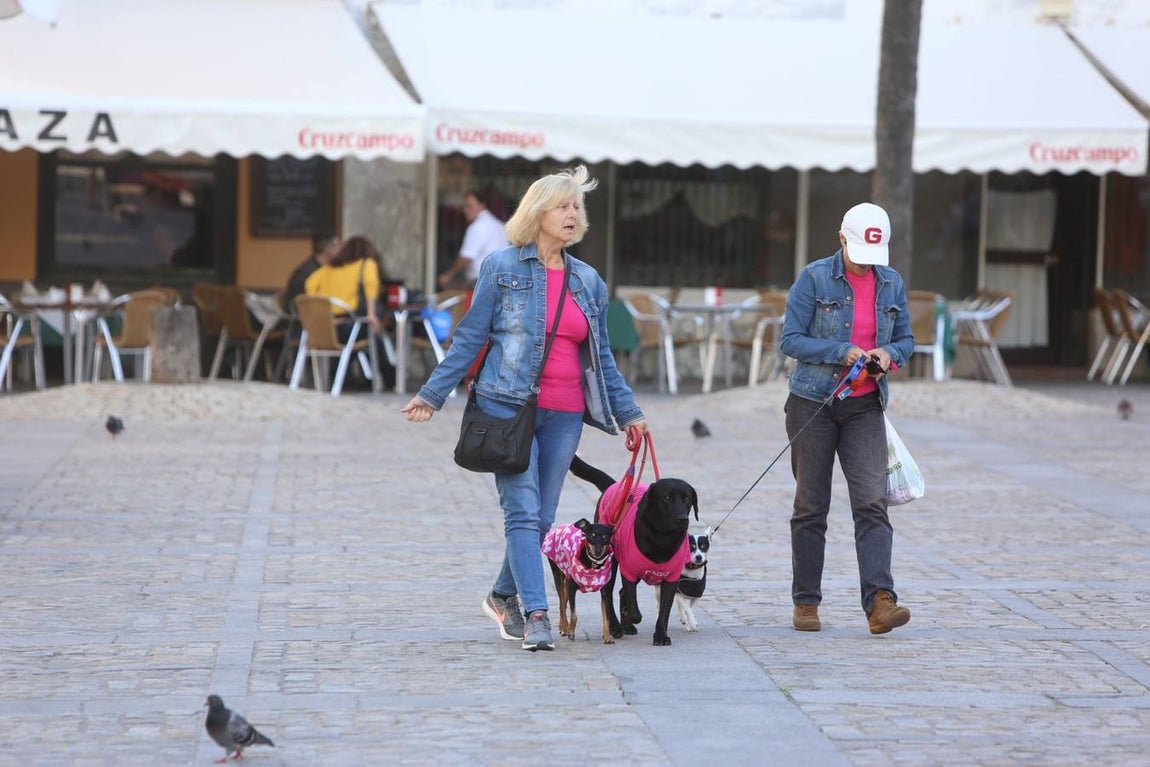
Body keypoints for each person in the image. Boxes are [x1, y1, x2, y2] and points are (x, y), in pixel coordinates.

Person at [402, 166, 648, 652]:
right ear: (537, 213)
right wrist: (432, 394)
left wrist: (630, 414)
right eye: (564, 206)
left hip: (566, 415)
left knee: (542, 517)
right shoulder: (501, 268)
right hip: (506, 411)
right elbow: (471, 337)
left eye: (577, 207)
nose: (573, 214)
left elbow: (602, 360)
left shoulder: (588, 282)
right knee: (522, 512)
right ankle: (536, 616)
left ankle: (501, 593)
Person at [778, 202, 916, 636]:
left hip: (865, 405)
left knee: (872, 503)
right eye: (859, 251)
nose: (867, 264)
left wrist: (887, 355)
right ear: (842, 238)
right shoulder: (814, 277)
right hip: (812, 403)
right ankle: (806, 602)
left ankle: (880, 602)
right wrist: (841, 351)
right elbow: (791, 340)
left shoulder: (891, 283)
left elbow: (907, 340)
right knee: (810, 505)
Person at [304, 235, 396, 389]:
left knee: (368, 337)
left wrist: (322, 312)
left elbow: (309, 285)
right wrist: (371, 313)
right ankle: (390, 378)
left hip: (325, 327)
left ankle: (347, 377)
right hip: (349, 327)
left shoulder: (327, 268)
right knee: (372, 335)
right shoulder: (366, 264)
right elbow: (370, 284)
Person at [437, 190, 510, 290]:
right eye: (465, 206)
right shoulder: (497, 224)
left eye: (469, 206)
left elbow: (466, 257)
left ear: (481, 206)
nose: (465, 210)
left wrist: (449, 276)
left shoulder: (477, 226)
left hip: (483, 283)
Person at [285, 232, 340, 309]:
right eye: (338, 245)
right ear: (328, 248)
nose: (341, 249)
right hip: (305, 315)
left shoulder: (324, 268)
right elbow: (302, 303)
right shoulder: (307, 273)